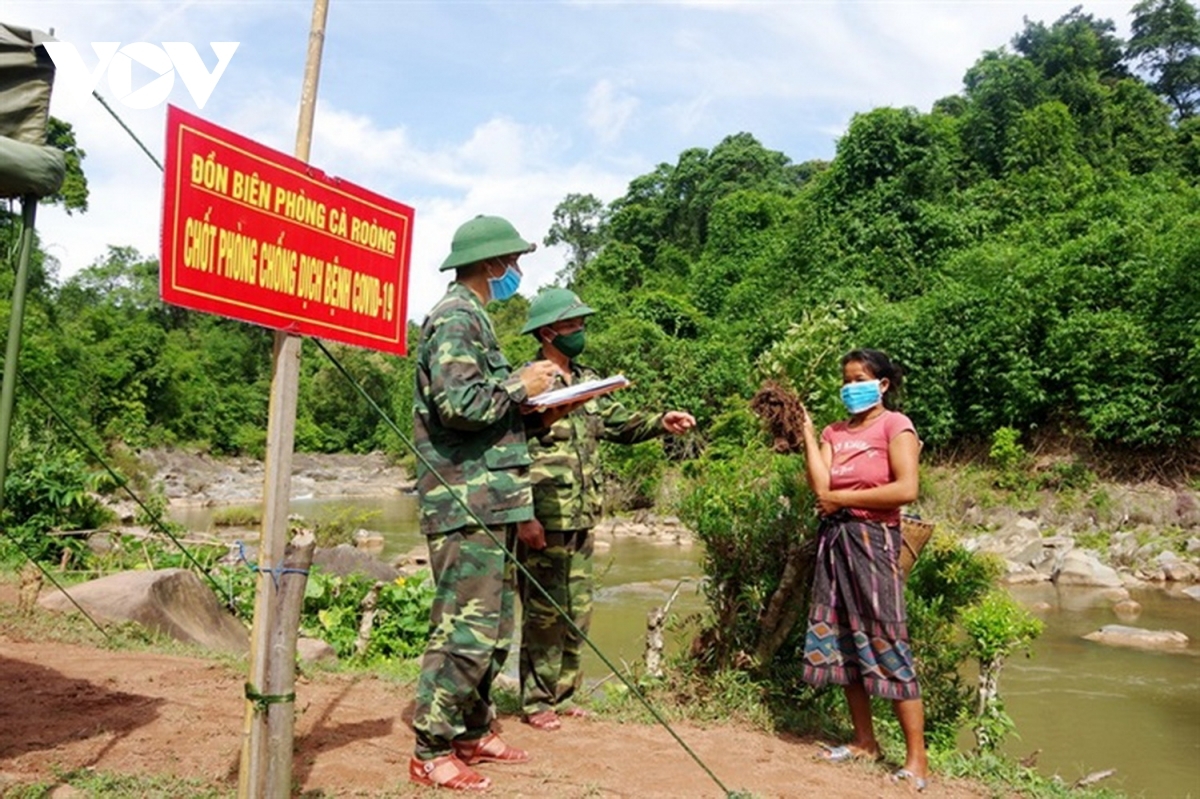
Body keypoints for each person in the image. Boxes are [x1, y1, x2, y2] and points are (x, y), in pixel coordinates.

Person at [409, 215, 564, 791]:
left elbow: (486, 408)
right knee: (464, 629)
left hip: (491, 496)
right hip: (463, 497)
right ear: (494, 264)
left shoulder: (475, 319)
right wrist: (521, 384)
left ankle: (471, 730)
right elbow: (460, 405)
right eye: (514, 262)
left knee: (495, 627)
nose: (517, 272)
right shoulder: (454, 318)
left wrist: (535, 407)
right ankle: (429, 747)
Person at [516, 287, 696, 731]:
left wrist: (660, 423)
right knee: (543, 611)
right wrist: (522, 515)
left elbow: (617, 422)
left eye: (582, 324)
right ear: (547, 331)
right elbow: (506, 452)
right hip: (543, 514)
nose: (581, 331)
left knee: (578, 609)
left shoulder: (587, 378)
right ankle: (537, 701)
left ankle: (565, 693)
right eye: (573, 325)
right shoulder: (526, 382)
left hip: (581, 515)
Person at [798, 348, 928, 791]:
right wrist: (810, 436)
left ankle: (917, 760)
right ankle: (864, 742)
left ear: (883, 385)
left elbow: (906, 488)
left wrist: (843, 500)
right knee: (843, 639)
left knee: (887, 639)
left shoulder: (897, 426)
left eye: (860, 379)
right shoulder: (836, 430)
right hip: (836, 539)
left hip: (874, 540)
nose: (851, 387)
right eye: (847, 380)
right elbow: (821, 485)